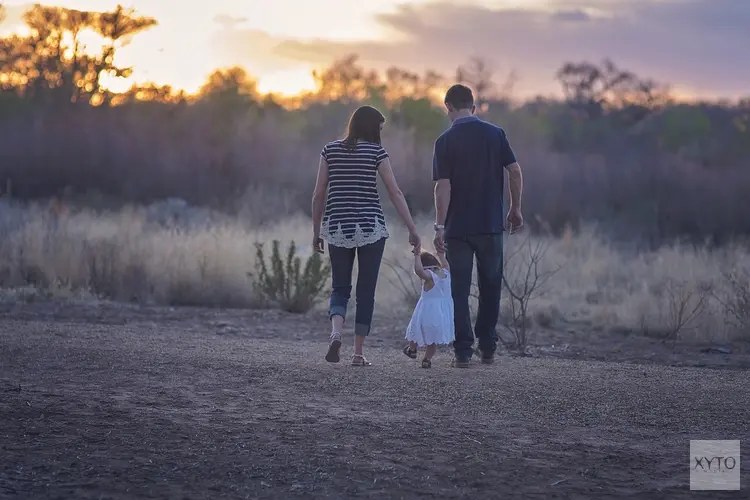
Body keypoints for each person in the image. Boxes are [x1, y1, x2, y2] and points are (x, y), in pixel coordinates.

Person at [311, 105, 421, 367]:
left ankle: (336, 333)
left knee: (340, 287)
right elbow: (395, 193)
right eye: (380, 129)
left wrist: (317, 232)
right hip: (371, 228)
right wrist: (412, 228)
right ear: (372, 128)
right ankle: (358, 353)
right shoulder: (376, 152)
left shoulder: (330, 150)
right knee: (366, 291)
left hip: (337, 227)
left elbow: (318, 194)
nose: (380, 134)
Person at [432, 84, 524, 368]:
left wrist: (439, 226)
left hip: (458, 228)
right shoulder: (495, 134)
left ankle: (462, 351)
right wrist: (515, 208)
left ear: (448, 106)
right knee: (491, 285)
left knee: (458, 289)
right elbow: (515, 170)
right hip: (490, 224)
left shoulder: (444, 141)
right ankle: (487, 347)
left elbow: (442, 187)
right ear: (473, 106)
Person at [403, 248, 454, 369]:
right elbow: (446, 264)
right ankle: (427, 360)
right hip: (442, 313)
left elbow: (419, 271)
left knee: (416, 330)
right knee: (432, 339)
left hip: (427, 312)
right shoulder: (444, 273)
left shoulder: (429, 276)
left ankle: (412, 349)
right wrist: (441, 255)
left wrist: (416, 256)